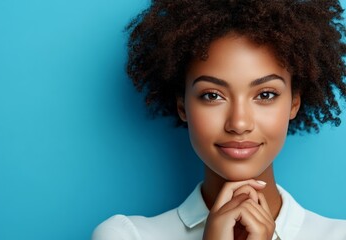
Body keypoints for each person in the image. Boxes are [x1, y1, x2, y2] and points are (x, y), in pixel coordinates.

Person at [93, 0, 346, 239]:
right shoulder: (127, 235)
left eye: (265, 94)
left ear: (294, 103)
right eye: (212, 95)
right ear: (183, 105)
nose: (238, 123)